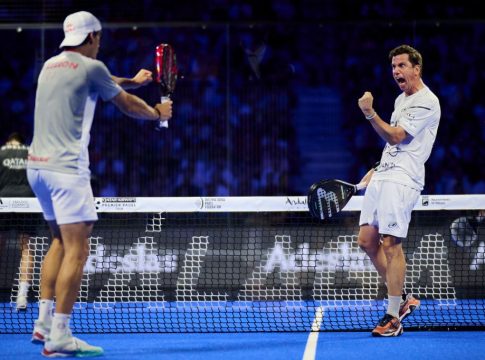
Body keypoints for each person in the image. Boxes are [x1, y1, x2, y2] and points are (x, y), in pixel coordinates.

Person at [27, 11, 172, 357]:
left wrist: (133, 81)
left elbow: (98, 80)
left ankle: (44, 322)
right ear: (92, 38)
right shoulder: (93, 68)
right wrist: (156, 113)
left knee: (59, 241)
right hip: (67, 170)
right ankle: (60, 335)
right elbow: (123, 105)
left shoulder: (51, 65)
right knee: (79, 247)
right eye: (100, 39)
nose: (99, 45)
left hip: (37, 169)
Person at [357, 44, 441, 337]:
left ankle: (393, 316)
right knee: (367, 240)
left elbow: (398, 137)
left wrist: (369, 114)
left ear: (417, 69)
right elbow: (390, 146)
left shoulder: (427, 101)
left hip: (403, 179)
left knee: (390, 243)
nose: (396, 72)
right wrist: (377, 167)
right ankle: (404, 299)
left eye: (402, 66)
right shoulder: (399, 100)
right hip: (385, 175)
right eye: (394, 67)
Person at [0, 132, 36, 311]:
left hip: (2, 201)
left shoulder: (1, 153)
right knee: (26, 247)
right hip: (28, 202)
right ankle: (22, 297)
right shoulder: (31, 153)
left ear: (9, 142)